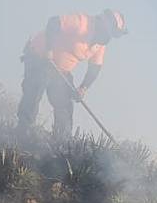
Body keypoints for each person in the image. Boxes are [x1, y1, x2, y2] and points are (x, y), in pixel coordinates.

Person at [16, 9, 128, 138]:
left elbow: (95, 67)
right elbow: (53, 22)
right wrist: (49, 50)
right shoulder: (81, 23)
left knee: (64, 103)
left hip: (61, 70)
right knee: (35, 88)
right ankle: (23, 129)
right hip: (40, 57)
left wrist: (83, 88)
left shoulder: (99, 44)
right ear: (102, 24)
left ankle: (61, 140)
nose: (108, 37)